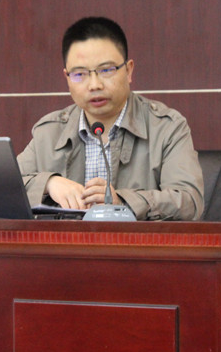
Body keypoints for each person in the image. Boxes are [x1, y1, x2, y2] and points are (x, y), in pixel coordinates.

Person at [17, 17, 204, 220]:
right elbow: (1, 187)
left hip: (134, 242)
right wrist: (49, 183)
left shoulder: (167, 127)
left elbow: (189, 202)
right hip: (67, 241)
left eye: (106, 70)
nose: (94, 85)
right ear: (67, 78)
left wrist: (122, 202)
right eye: (79, 74)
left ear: (129, 70)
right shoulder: (49, 132)